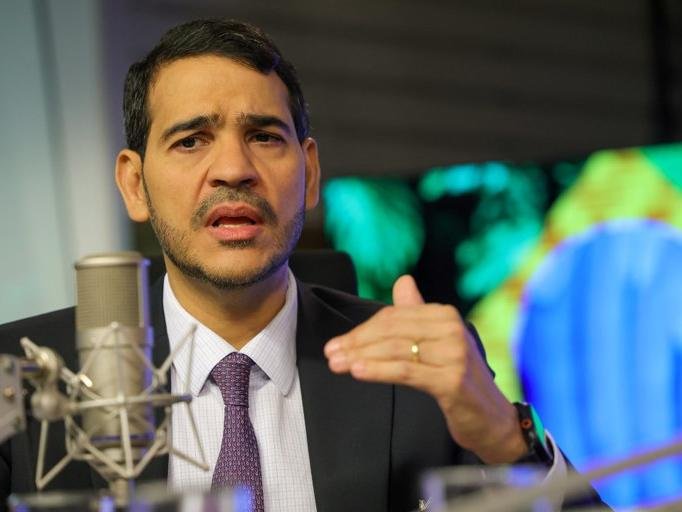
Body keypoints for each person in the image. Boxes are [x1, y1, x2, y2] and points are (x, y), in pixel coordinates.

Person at [0, 18, 607, 512]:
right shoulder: (24, 379)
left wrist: (505, 436)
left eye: (265, 136)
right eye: (191, 140)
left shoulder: (418, 371)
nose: (233, 169)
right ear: (135, 185)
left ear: (310, 172)